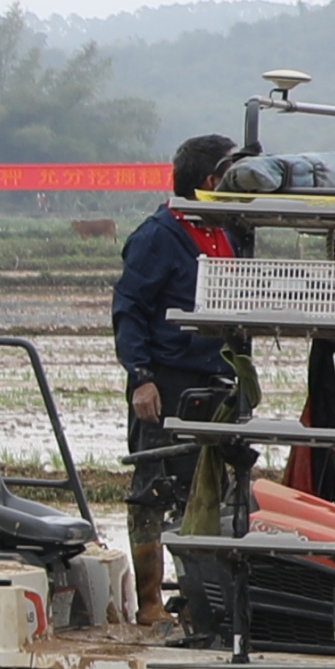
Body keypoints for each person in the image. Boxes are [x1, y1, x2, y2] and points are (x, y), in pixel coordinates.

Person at [108, 134, 251, 615]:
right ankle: (149, 602)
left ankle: (199, 599)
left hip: (214, 380)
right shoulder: (157, 236)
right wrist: (141, 377)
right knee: (152, 490)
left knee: (209, 492)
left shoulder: (226, 234)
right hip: (165, 381)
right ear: (210, 182)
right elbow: (129, 309)